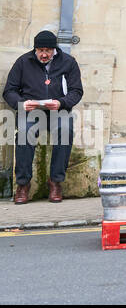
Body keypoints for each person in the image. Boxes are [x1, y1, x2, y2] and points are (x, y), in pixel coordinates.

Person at [4, 31, 83, 204]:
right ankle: (23, 185)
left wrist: (61, 103)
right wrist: (22, 104)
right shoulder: (23, 62)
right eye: (40, 50)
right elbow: (9, 91)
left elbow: (76, 91)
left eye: (48, 50)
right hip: (31, 111)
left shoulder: (68, 62)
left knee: (65, 130)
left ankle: (55, 182)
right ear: (35, 49)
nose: (44, 54)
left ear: (55, 49)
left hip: (58, 110)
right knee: (24, 132)